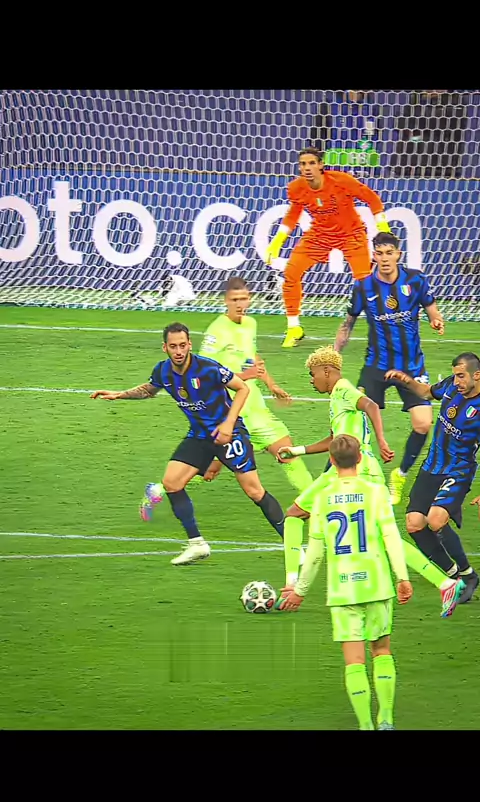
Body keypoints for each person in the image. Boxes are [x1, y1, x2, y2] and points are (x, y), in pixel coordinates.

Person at [277, 345, 465, 617]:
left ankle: (292, 583)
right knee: (381, 534)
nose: (311, 380)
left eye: (313, 374)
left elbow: (371, 405)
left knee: (295, 514)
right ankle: (446, 584)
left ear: (327, 371)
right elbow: (335, 440)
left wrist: (382, 441)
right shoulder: (338, 397)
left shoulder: (343, 389)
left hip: (353, 468)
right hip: (360, 467)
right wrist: (297, 451)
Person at [90, 322, 285, 565]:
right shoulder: (163, 371)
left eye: (183, 345)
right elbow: (149, 390)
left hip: (229, 433)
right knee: (171, 483)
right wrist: (119, 394)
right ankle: (197, 544)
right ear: (165, 348)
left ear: (190, 345)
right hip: (200, 435)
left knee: (254, 491)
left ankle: (292, 542)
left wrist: (228, 424)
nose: (179, 351)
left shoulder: (207, 368)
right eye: (173, 346)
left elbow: (242, 388)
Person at [278, 434, 413, 731]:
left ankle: (365, 725)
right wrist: (402, 577)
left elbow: (315, 551)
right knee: (381, 650)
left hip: (342, 589)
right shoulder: (376, 492)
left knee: (354, 661)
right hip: (376, 583)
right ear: (360, 459)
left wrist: (299, 591)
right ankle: (386, 719)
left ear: (332, 461)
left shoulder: (322, 498)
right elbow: (391, 537)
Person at [335, 231, 445, 505]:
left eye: (389, 253)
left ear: (398, 254)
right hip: (376, 366)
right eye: (379, 253)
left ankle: (400, 474)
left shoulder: (416, 280)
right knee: (352, 425)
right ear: (374, 255)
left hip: (411, 367)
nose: (384, 258)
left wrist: (436, 320)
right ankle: (339, 479)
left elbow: (432, 309)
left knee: (423, 424)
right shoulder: (363, 287)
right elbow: (348, 324)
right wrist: (334, 354)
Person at [264, 147, 390, 348]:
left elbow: (372, 199)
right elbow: (294, 213)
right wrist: (278, 240)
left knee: (365, 283)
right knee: (291, 273)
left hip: (351, 234)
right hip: (319, 235)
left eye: (312, 163)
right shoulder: (296, 187)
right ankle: (294, 328)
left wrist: (383, 227)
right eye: (303, 164)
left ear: (321, 165)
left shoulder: (342, 181)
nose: (307, 168)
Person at [198, 275, 313, 493]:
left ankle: (314, 504)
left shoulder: (250, 324)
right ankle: (160, 489)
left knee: (287, 452)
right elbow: (203, 373)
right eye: (234, 300)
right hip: (230, 414)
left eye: (243, 298)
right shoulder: (217, 331)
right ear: (225, 301)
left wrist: (271, 384)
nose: (239, 304)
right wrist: (243, 375)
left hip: (255, 408)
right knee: (209, 470)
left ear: (250, 298)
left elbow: (253, 358)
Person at [385, 351, 480, 603]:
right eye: (455, 375)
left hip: (458, 469)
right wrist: (406, 380)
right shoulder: (451, 385)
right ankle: (454, 575)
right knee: (414, 523)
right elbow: (427, 392)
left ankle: (469, 575)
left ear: (477, 376)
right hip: (432, 466)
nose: (457, 381)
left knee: (436, 519)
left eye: (462, 376)